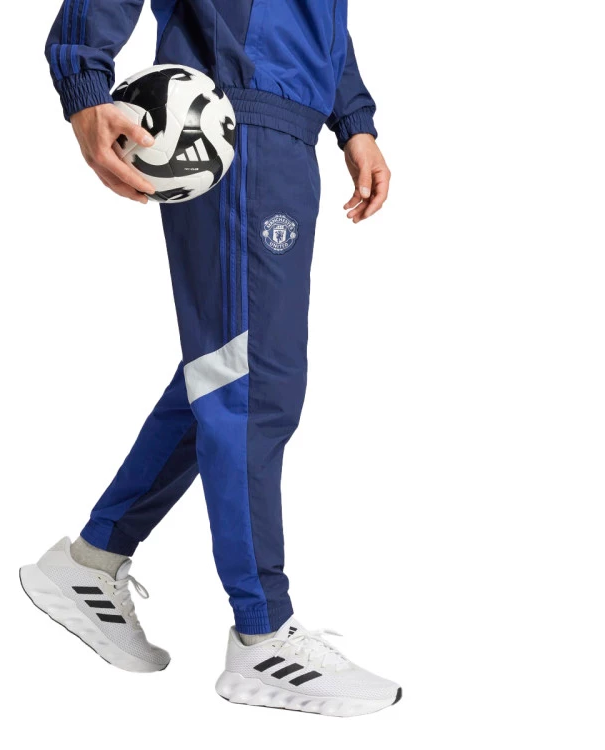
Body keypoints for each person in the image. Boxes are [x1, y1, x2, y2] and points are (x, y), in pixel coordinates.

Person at [20, 0, 401, 717]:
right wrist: (84, 82)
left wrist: (354, 120)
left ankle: (90, 561)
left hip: (288, 131)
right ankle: (263, 635)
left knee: (227, 368)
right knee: (252, 382)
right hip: (227, 120)